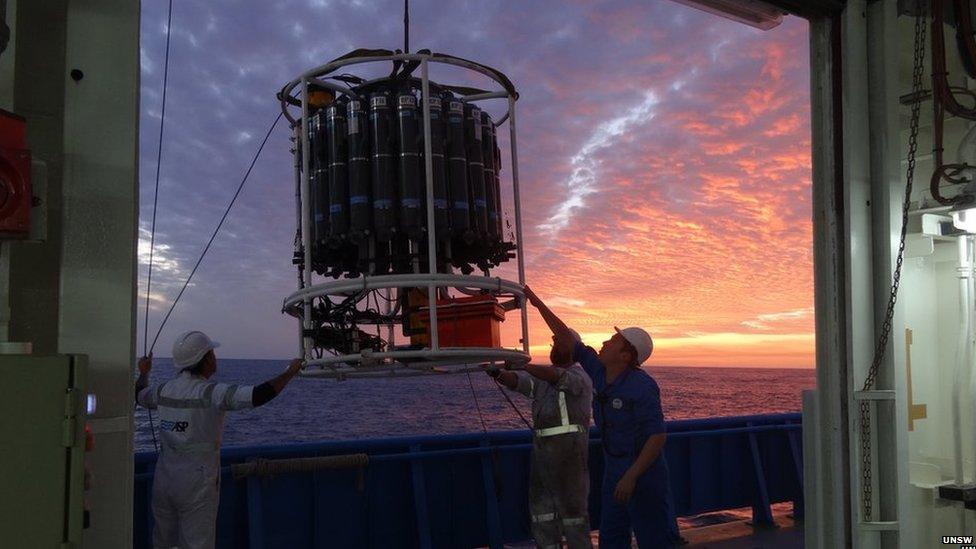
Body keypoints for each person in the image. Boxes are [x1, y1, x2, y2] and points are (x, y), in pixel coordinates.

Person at [523, 286, 681, 549]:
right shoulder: (598, 370)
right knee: (611, 538)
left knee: (653, 538)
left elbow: (657, 436)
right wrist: (536, 302)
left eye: (612, 341)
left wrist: (631, 477)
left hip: (642, 474)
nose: (605, 343)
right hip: (614, 470)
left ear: (626, 355)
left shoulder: (642, 386)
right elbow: (566, 336)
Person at [135, 330, 304, 549]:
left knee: (163, 542)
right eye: (212, 354)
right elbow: (257, 395)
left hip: (164, 479)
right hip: (197, 483)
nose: (215, 358)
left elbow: (139, 394)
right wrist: (290, 372)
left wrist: (144, 373)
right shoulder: (211, 393)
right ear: (203, 360)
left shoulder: (164, 390)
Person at [488, 329, 594, 549]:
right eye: (553, 344)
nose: (554, 348)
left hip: (570, 457)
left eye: (559, 344)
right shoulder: (544, 380)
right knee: (542, 514)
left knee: (574, 516)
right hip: (542, 456)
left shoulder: (579, 377)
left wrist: (522, 364)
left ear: (573, 349)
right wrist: (498, 373)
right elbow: (521, 383)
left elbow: (556, 376)